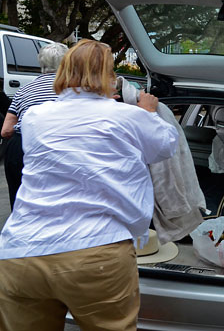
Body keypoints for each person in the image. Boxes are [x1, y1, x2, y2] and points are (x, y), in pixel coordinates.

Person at [0, 39, 178, 331]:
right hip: (96, 252)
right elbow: (165, 146)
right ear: (107, 77)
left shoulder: (34, 117)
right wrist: (147, 111)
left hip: (21, 253)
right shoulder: (129, 116)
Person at [1, 42, 68, 208]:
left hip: (19, 147)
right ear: (68, 63)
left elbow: (6, 131)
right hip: (56, 145)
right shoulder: (72, 88)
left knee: (20, 203)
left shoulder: (24, 90)